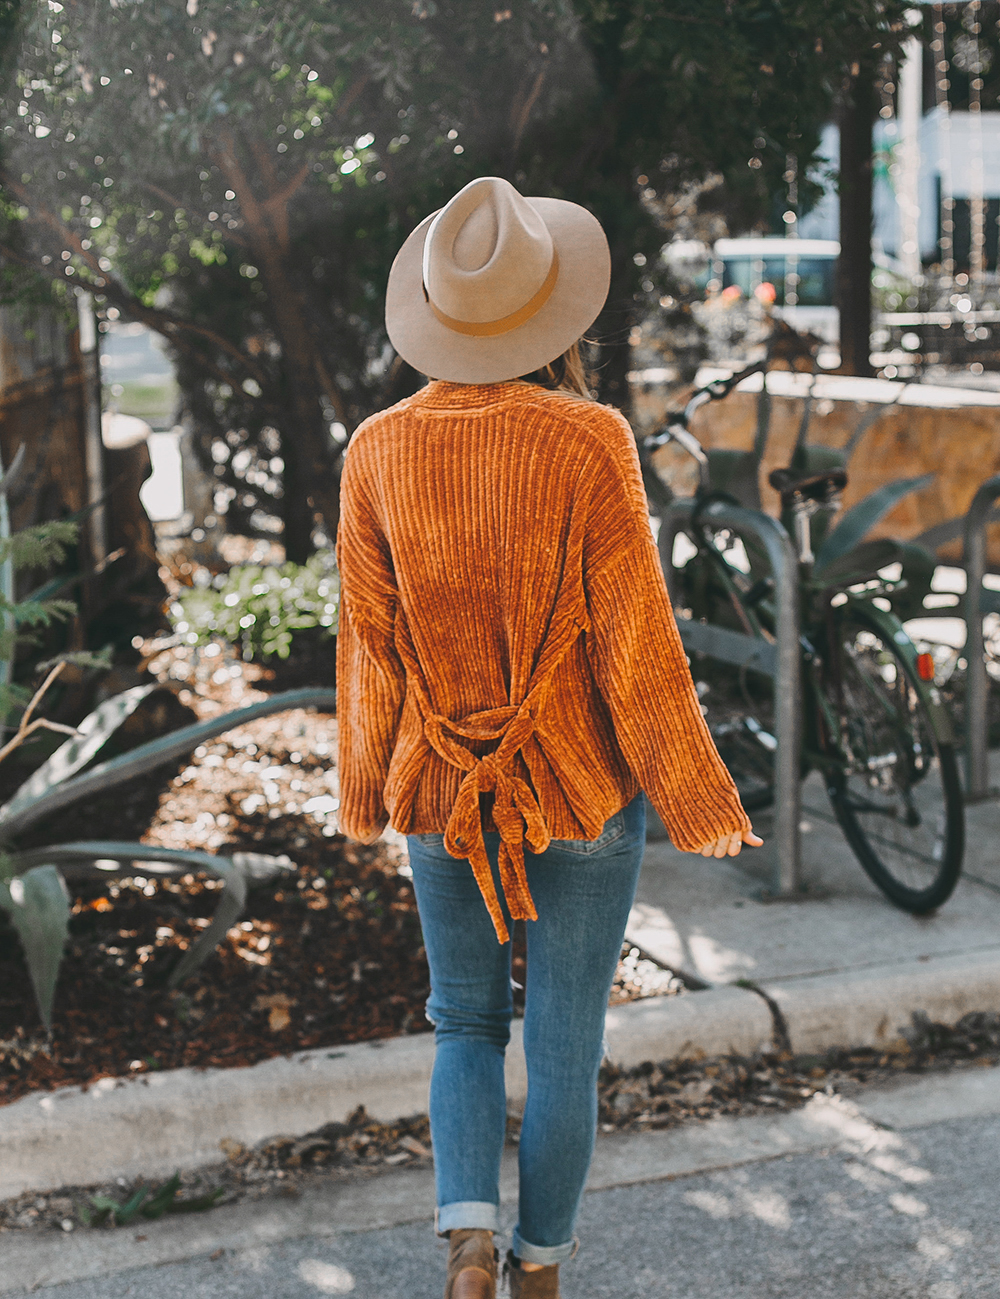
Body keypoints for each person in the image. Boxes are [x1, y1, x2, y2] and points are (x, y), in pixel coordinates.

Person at [337, 176, 761, 1299]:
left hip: (444, 787)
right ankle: (539, 1271)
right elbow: (638, 643)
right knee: (566, 1041)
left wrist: (363, 783)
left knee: (464, 1023)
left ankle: (467, 1241)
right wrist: (695, 790)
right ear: (550, 312)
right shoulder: (590, 441)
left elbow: (369, 645)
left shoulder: (376, 450)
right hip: (580, 793)